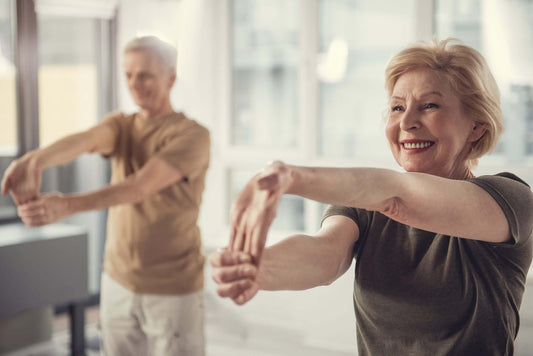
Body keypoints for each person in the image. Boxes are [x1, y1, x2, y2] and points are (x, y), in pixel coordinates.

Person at [209, 38, 533, 355]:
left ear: (477, 125)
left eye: (430, 106)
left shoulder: (510, 200)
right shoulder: (367, 203)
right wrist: (258, 267)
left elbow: (399, 196)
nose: (406, 122)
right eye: (397, 107)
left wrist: (290, 177)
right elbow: (324, 255)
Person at [1, 36, 210, 356]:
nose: (134, 84)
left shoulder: (192, 135)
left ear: (171, 77)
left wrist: (68, 205)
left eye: (145, 75)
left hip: (173, 288)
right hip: (118, 281)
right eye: (128, 75)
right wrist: (35, 160)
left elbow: (140, 186)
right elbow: (86, 140)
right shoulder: (122, 125)